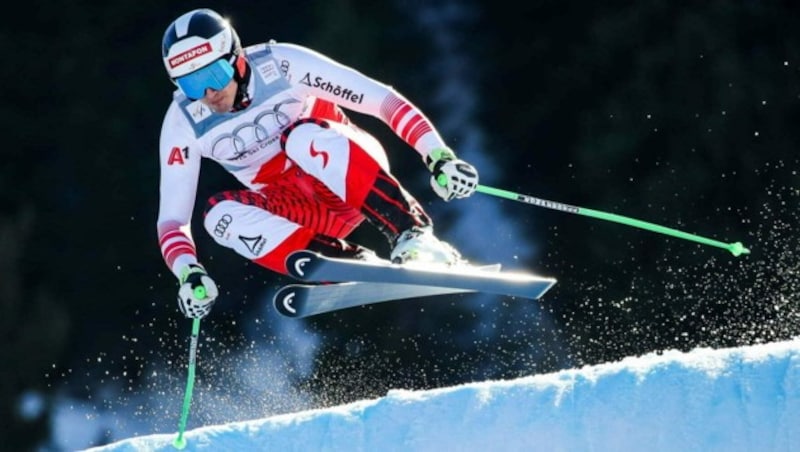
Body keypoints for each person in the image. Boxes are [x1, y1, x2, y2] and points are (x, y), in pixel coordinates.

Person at [158, 8, 479, 319]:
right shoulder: (183, 121)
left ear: (236, 59)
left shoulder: (283, 64)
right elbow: (172, 221)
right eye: (192, 84)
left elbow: (383, 101)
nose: (209, 92)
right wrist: (189, 272)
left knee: (299, 139)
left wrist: (438, 156)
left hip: (347, 173)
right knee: (218, 217)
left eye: (215, 75)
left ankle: (413, 233)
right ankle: (347, 263)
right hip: (301, 207)